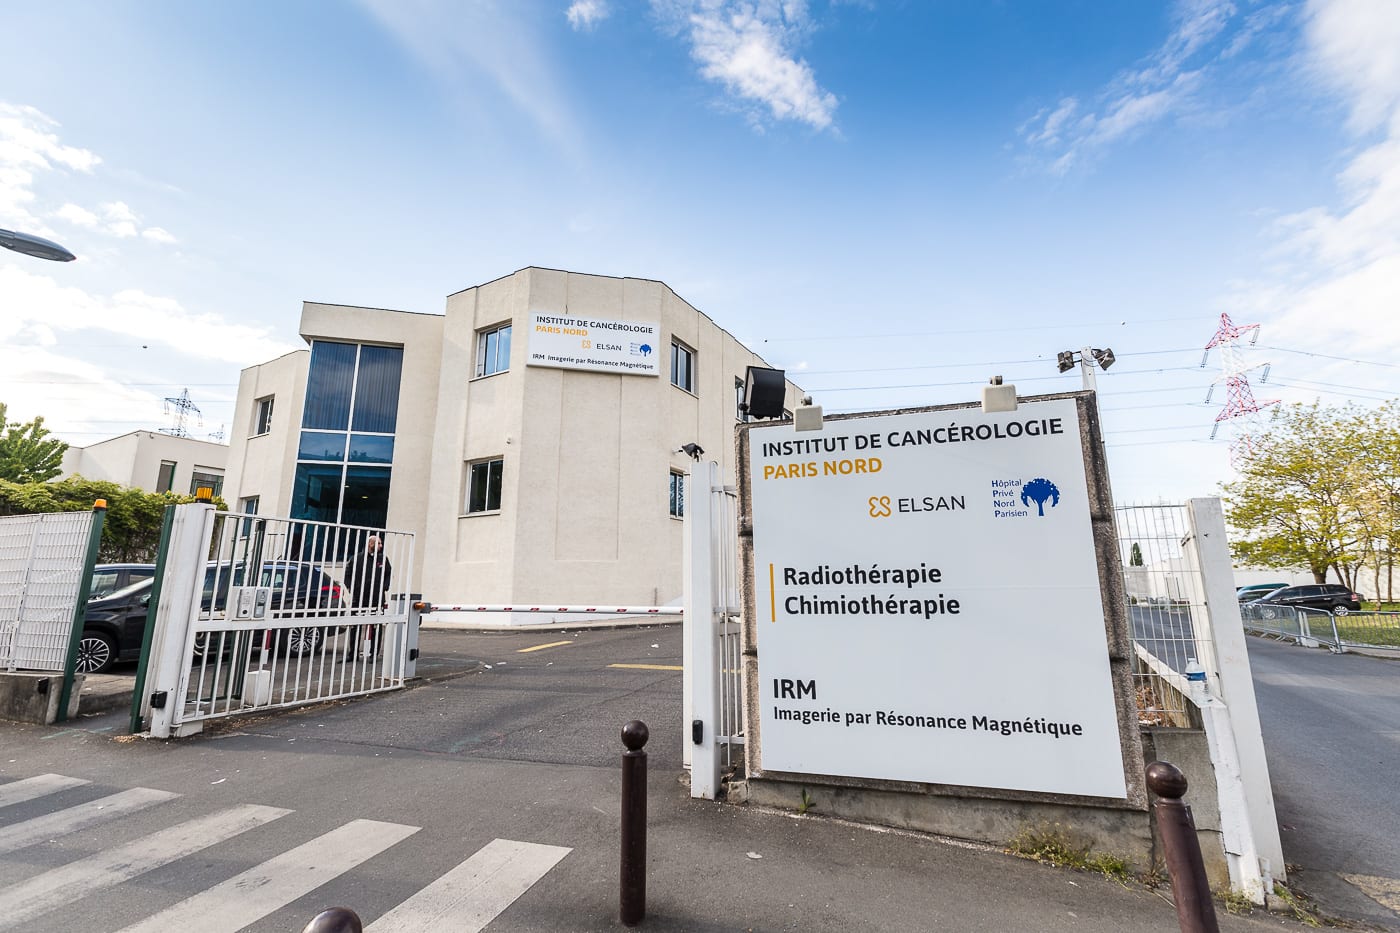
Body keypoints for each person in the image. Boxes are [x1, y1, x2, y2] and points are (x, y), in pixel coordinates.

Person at [343, 534, 392, 657]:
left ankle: (373, 653)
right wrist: (352, 589)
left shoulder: (382, 559)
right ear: (370, 544)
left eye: (381, 543)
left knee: (376, 625)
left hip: (376, 597)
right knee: (355, 625)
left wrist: (383, 587)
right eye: (378, 543)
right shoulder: (357, 559)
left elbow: (388, 574)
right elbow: (347, 575)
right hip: (359, 598)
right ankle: (352, 653)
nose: (381, 546)